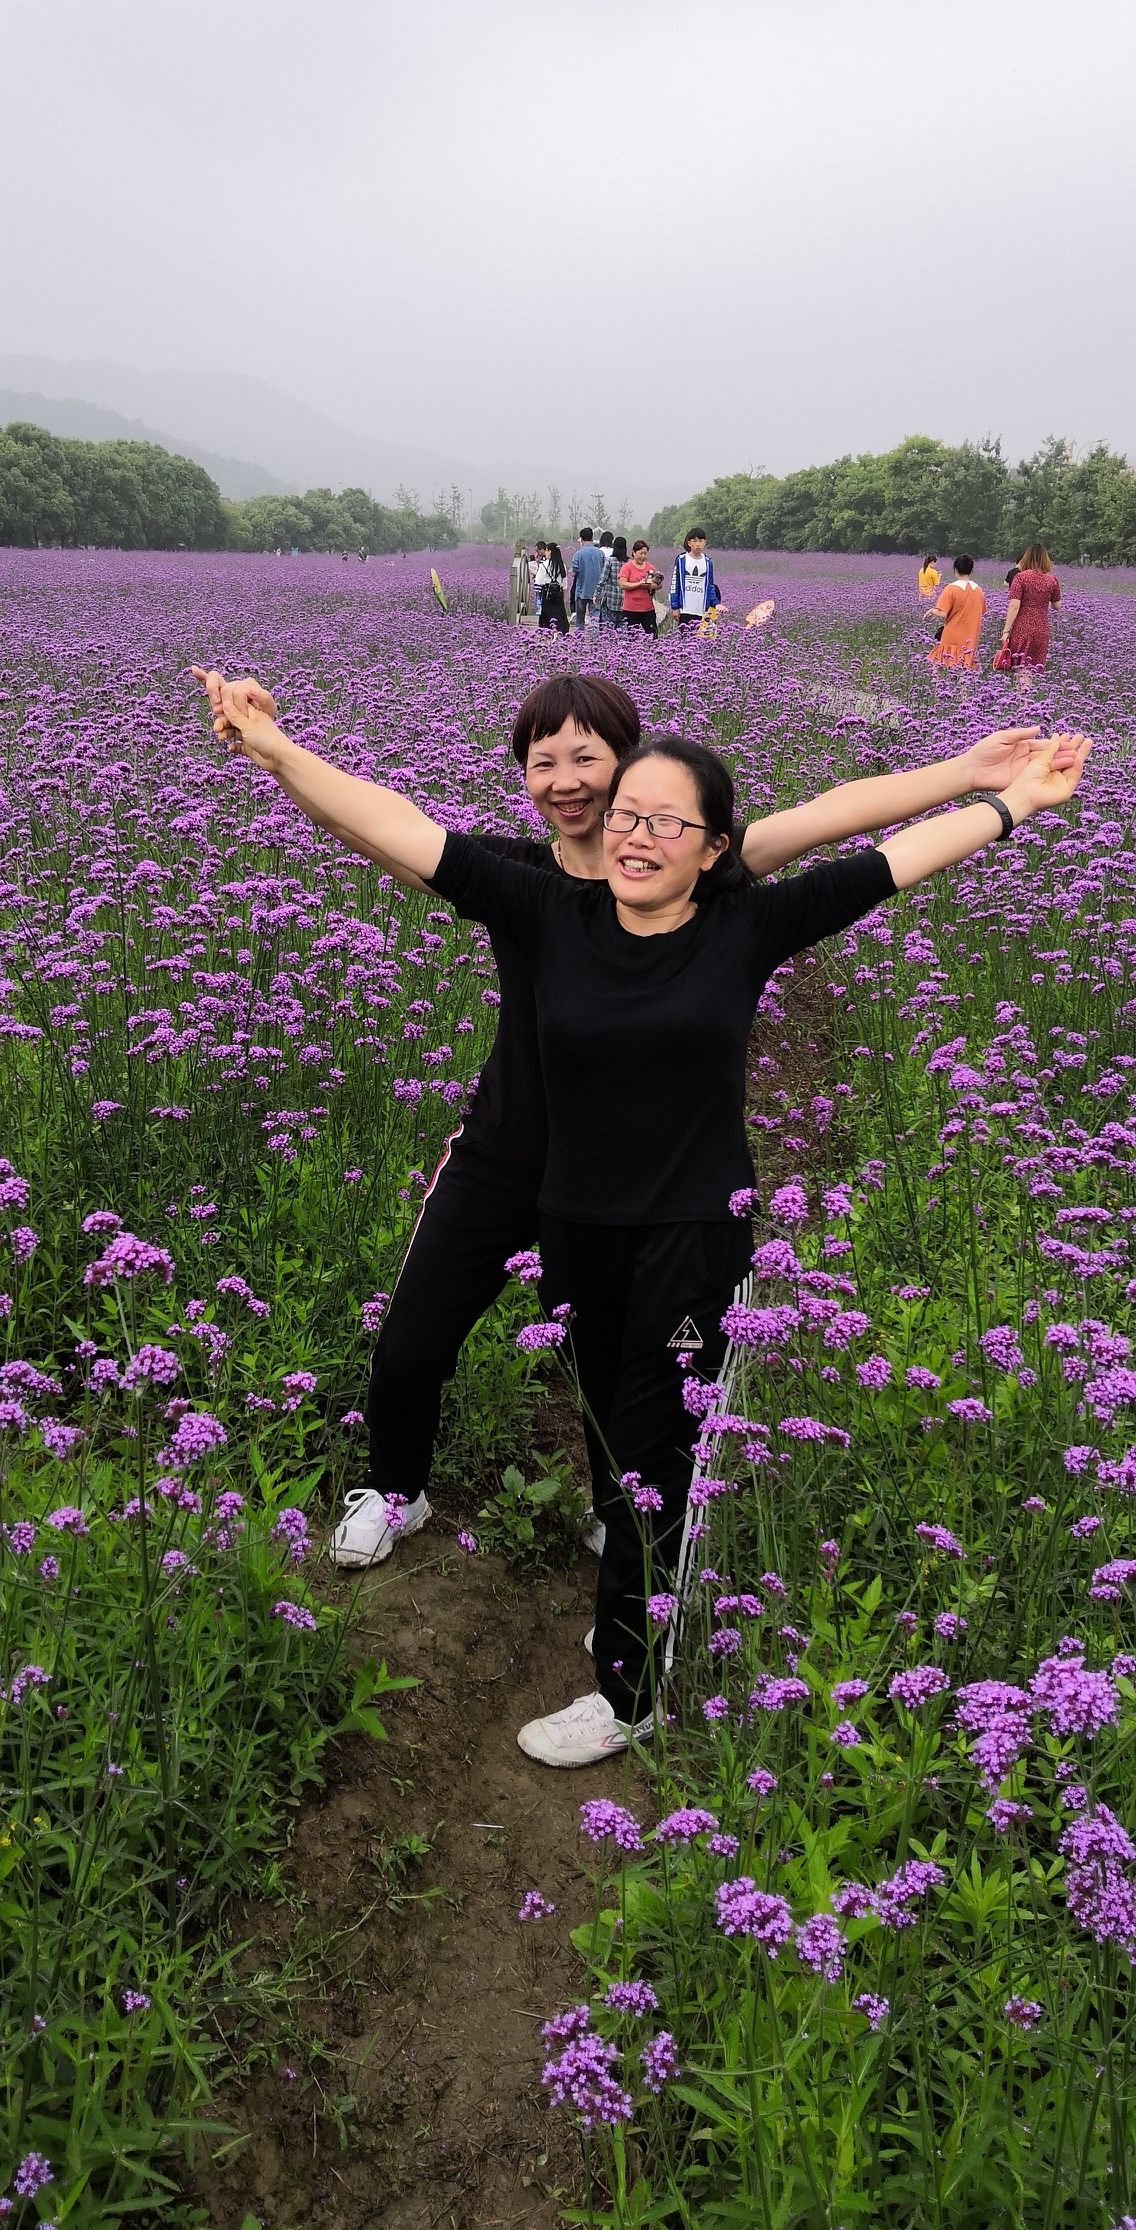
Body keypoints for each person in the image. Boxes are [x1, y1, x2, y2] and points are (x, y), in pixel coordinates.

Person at [197, 669, 1089, 1761]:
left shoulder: (742, 923)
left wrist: (1003, 799)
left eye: (660, 818)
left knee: (650, 1456)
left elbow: (875, 851)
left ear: (710, 845)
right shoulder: (541, 901)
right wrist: (271, 747)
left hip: (689, 1236)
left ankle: (629, 1687)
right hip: (567, 1214)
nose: (630, 830)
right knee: (602, 1423)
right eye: (622, 815)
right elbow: (393, 822)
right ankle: (482, 1520)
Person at [1001, 543, 1061, 679]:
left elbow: (1014, 606)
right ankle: (1026, 697)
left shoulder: (1020, 578)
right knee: (1032, 667)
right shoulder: (1052, 580)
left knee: (1021, 667)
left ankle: (1023, 699)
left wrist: (1006, 630)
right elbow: (1057, 605)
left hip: (1023, 627)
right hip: (1041, 629)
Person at [928, 554, 986, 669]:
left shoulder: (951, 589)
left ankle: (936, 686)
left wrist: (932, 611)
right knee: (966, 670)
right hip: (970, 637)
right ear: (971, 570)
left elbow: (943, 613)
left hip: (952, 636)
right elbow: (982, 611)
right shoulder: (978, 590)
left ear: (955, 569)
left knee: (938, 664)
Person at [669, 529, 722, 627]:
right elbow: (675, 584)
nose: (698, 544)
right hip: (685, 609)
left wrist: (716, 603)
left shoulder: (707, 562)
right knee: (685, 639)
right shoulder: (681, 560)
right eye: (694, 541)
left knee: (702, 641)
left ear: (705, 542)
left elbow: (710, 586)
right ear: (689, 543)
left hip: (702, 611)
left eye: (701, 541)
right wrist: (675, 606)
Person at [620, 539, 659, 637]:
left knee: (652, 636)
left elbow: (658, 585)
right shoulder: (627, 567)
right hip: (631, 609)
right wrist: (638, 585)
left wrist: (650, 586)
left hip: (647, 608)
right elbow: (622, 584)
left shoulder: (651, 568)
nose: (643, 556)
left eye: (645, 554)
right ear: (633, 553)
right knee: (631, 638)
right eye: (640, 553)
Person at [569, 528, 606, 631]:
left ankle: (579, 641)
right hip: (596, 591)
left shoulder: (578, 554)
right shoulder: (600, 553)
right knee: (594, 617)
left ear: (581, 539)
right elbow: (604, 569)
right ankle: (595, 641)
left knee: (580, 619)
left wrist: (571, 571)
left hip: (582, 591)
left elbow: (574, 571)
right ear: (592, 538)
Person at [594, 535, 627, 632]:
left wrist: (596, 594)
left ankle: (609, 647)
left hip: (610, 600)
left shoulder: (610, 561)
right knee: (622, 629)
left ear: (614, 547)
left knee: (608, 628)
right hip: (624, 601)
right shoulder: (628, 562)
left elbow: (602, 580)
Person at [535, 543, 569, 634]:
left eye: (546, 550)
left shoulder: (544, 565)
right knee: (558, 614)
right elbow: (564, 584)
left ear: (550, 551)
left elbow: (538, 581)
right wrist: (563, 597)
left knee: (547, 614)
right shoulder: (562, 565)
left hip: (547, 593)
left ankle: (547, 632)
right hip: (558, 594)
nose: (545, 553)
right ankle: (559, 632)